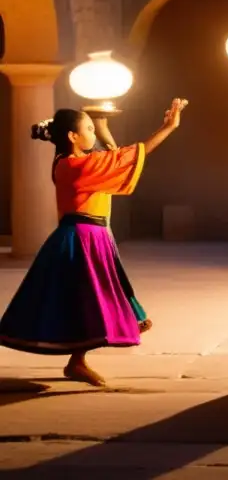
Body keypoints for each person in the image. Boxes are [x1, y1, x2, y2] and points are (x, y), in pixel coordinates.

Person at [0, 99, 188, 386]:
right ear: (73, 136)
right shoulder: (75, 167)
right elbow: (125, 157)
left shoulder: (74, 162)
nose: (92, 133)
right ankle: (89, 353)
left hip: (92, 235)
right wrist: (167, 128)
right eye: (88, 128)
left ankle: (111, 334)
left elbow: (113, 157)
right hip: (81, 237)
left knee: (88, 296)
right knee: (85, 298)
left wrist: (101, 125)